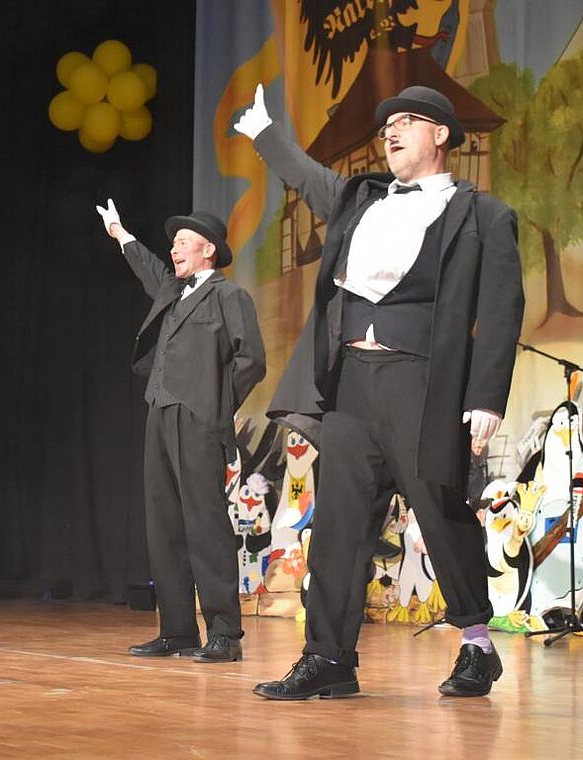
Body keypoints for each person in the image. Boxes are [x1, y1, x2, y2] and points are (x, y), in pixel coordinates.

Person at [233, 83, 525, 698]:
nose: (391, 130)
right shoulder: (359, 200)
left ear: (440, 135)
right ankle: (329, 658)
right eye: (387, 123)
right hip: (351, 383)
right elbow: (308, 178)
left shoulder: (483, 215)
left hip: (422, 381)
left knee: (441, 513)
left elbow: (501, 310)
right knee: (338, 526)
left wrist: (485, 398)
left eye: (408, 120)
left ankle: (477, 644)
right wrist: (264, 134)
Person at [95, 199, 266, 663]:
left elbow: (252, 360)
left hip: (199, 417)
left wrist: (216, 404)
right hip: (160, 411)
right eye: (173, 243)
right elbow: (149, 268)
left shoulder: (229, 297)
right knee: (164, 524)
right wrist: (120, 232)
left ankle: (224, 633)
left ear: (208, 250)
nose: (174, 249)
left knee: (205, 524)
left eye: (183, 242)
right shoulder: (173, 292)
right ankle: (176, 630)